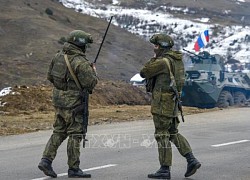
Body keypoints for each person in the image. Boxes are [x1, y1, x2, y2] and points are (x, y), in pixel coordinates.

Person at [140, 33, 201, 179]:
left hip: (162, 103)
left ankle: (164, 169)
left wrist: (154, 57)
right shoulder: (177, 60)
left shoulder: (162, 62)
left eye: (156, 46)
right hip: (173, 102)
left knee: (162, 135)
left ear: (160, 46)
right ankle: (191, 159)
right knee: (173, 132)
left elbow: (144, 72)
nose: (154, 48)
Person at [38, 30, 98, 178]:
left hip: (59, 101)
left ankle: (46, 160)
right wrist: (93, 72)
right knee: (75, 134)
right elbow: (90, 84)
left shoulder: (57, 56)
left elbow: (50, 77)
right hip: (75, 104)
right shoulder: (80, 62)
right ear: (81, 45)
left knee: (58, 131)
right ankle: (74, 168)